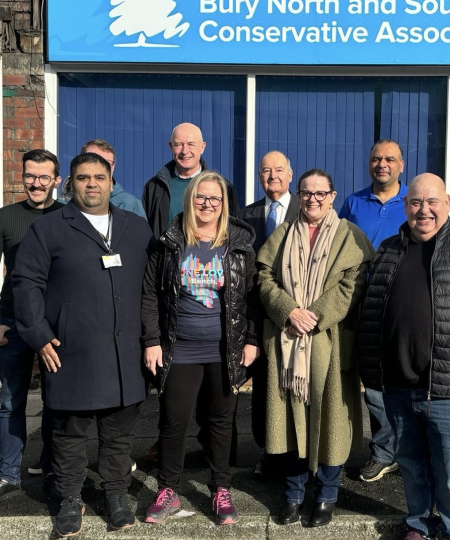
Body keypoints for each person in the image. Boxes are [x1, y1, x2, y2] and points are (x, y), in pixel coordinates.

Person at [358, 173, 450, 540]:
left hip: (449, 387)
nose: (423, 211)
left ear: (447, 203)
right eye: (415, 203)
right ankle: (419, 524)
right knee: (411, 465)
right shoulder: (389, 250)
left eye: (432, 202)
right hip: (397, 385)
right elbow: (372, 310)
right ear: (406, 206)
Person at [12, 152, 153, 537]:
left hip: (126, 354)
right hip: (70, 351)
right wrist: (38, 335)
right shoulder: (49, 229)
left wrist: (153, 339)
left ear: (111, 181)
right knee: (70, 435)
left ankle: (116, 496)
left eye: (99, 177)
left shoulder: (137, 228)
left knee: (118, 435)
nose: (92, 184)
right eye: (82, 177)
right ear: (69, 183)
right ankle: (69, 499)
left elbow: (153, 288)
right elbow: (25, 285)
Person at [257, 168, 374, 528]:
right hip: (289, 344)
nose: (312, 200)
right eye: (306, 193)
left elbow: (352, 286)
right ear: (298, 195)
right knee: (292, 422)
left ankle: (326, 495)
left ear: (333, 196)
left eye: (320, 193)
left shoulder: (349, 236)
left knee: (331, 423)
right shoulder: (282, 234)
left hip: (331, 343)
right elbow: (264, 278)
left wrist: (314, 315)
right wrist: (288, 311)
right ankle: (293, 495)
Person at [141, 171, 259, 526]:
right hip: (180, 347)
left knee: (221, 421)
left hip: (224, 348)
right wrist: (151, 340)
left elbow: (251, 297)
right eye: (200, 197)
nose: (207, 204)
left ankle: (220, 488)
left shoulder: (237, 244)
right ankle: (168, 490)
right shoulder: (170, 241)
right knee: (173, 422)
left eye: (215, 199)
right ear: (190, 199)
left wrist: (251, 339)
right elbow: (150, 293)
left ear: (223, 204)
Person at [0, 149, 64, 512]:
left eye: (44, 177)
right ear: (21, 176)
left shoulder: (67, 216)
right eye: (30, 176)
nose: (36, 183)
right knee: (11, 402)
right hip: (12, 326)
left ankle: (56, 472)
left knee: (58, 401)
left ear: (56, 179)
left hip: (53, 328)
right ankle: (8, 473)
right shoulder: (5, 218)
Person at [339, 139, 407, 482]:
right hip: (363, 303)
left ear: (401, 165)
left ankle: (405, 448)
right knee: (373, 381)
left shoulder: (413, 200)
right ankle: (384, 451)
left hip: (403, 304)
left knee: (406, 378)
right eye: (377, 158)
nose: (382, 164)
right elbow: (337, 246)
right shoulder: (353, 203)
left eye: (389, 159)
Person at [237, 151, 301, 476]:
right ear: (259, 176)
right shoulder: (245, 216)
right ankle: (268, 452)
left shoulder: (306, 211)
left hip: (295, 319)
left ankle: (297, 454)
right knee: (262, 389)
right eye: (266, 170)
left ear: (291, 175)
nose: (272, 175)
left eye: (279, 170)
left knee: (294, 386)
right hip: (258, 319)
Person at [142, 122, 239, 239]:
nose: (185, 151)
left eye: (191, 144)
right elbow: (145, 232)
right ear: (170, 146)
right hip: (165, 256)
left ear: (202, 147)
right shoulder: (155, 187)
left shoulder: (223, 188)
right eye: (178, 144)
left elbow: (233, 231)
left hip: (210, 256)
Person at [62, 139, 146, 219]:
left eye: (106, 163)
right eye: (92, 160)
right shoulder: (61, 204)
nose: (99, 166)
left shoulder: (130, 205)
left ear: (113, 166)